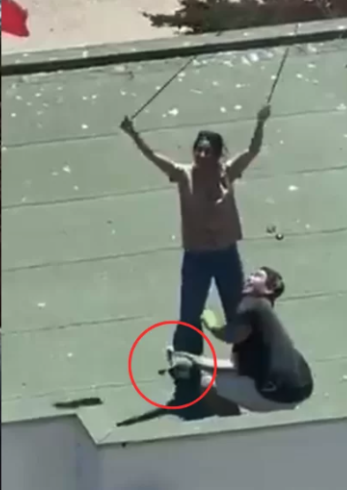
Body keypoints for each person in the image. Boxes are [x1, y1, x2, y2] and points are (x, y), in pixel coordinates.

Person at [119, 104, 272, 355]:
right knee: (189, 312)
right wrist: (134, 134)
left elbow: (252, 150)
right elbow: (153, 156)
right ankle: (186, 357)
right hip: (196, 256)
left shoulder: (228, 173)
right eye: (198, 149)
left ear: (217, 154)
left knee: (237, 310)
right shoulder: (183, 175)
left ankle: (248, 355)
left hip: (226, 254)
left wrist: (260, 122)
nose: (201, 155)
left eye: (207, 151)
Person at [167, 266, 314, 412]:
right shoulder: (265, 327)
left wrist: (214, 326)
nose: (250, 278)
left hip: (278, 394)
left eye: (257, 276)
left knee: (206, 383)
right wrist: (193, 360)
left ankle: (229, 417)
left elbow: (230, 335)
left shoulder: (253, 305)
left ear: (269, 289)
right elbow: (235, 367)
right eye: (251, 275)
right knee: (226, 374)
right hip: (301, 388)